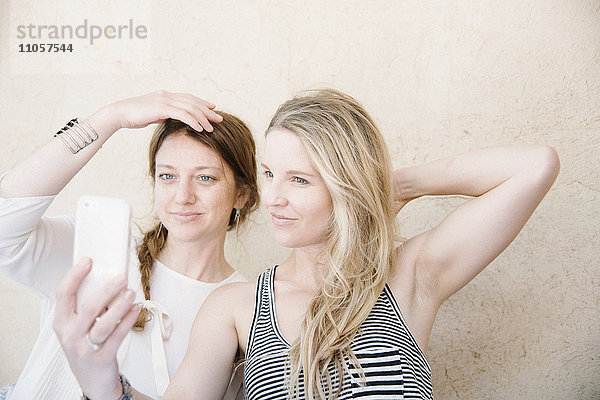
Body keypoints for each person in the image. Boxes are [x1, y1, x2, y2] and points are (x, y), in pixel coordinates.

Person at [55, 88, 560, 399]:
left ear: (344, 186)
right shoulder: (237, 305)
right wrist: (106, 385)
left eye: (300, 180)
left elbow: (534, 166)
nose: (273, 197)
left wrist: (392, 185)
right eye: (270, 173)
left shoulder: (409, 276)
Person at [0, 91, 258, 399]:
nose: (182, 196)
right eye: (168, 176)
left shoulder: (249, 307)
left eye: (205, 178)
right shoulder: (95, 250)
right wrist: (112, 117)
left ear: (241, 194)